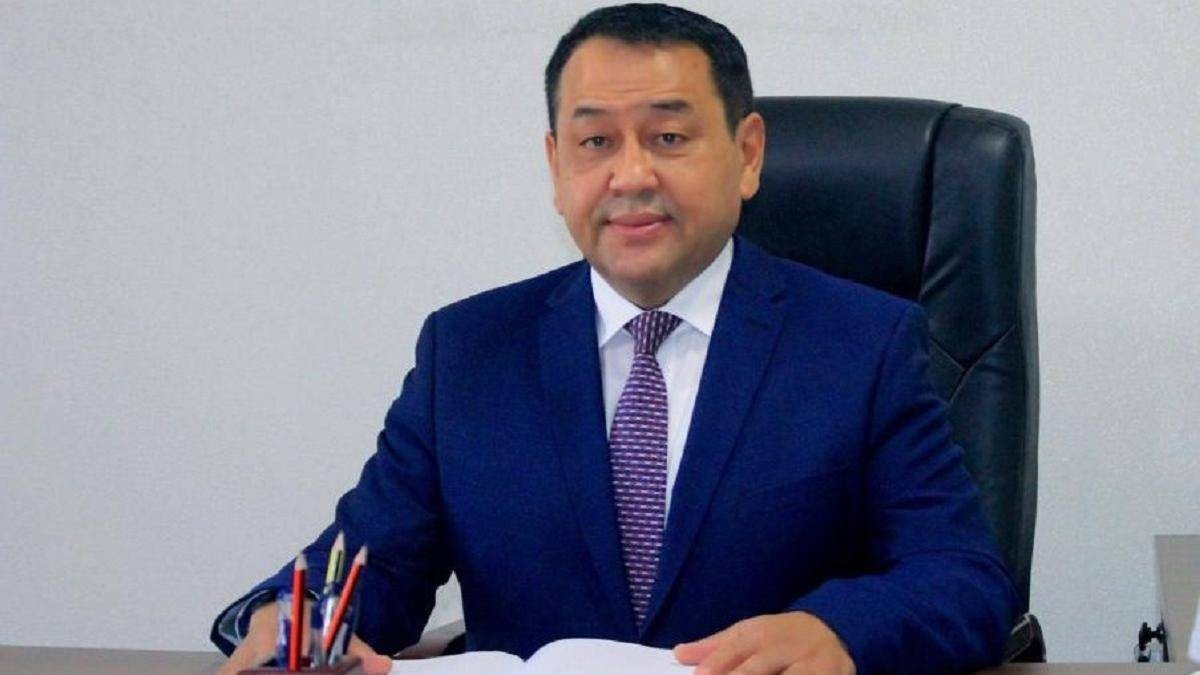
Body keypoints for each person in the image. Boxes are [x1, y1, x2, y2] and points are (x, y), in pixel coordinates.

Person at [212, 4, 1017, 674]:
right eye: (596, 142)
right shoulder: (468, 352)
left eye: (669, 138)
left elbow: (962, 578)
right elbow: (371, 565)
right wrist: (292, 623)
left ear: (747, 154)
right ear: (557, 166)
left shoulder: (862, 344)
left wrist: (838, 631)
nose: (631, 175)